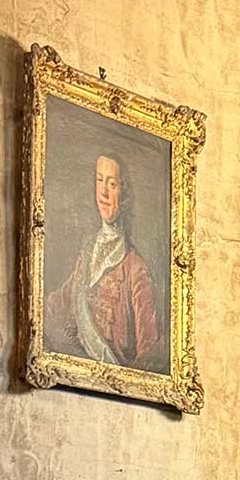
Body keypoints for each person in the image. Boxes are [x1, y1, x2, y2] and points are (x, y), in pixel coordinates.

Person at [46, 151, 163, 369]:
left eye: (112, 184)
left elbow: (149, 352)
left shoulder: (135, 269)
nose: (104, 193)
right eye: (99, 181)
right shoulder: (88, 252)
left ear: (124, 193)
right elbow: (61, 301)